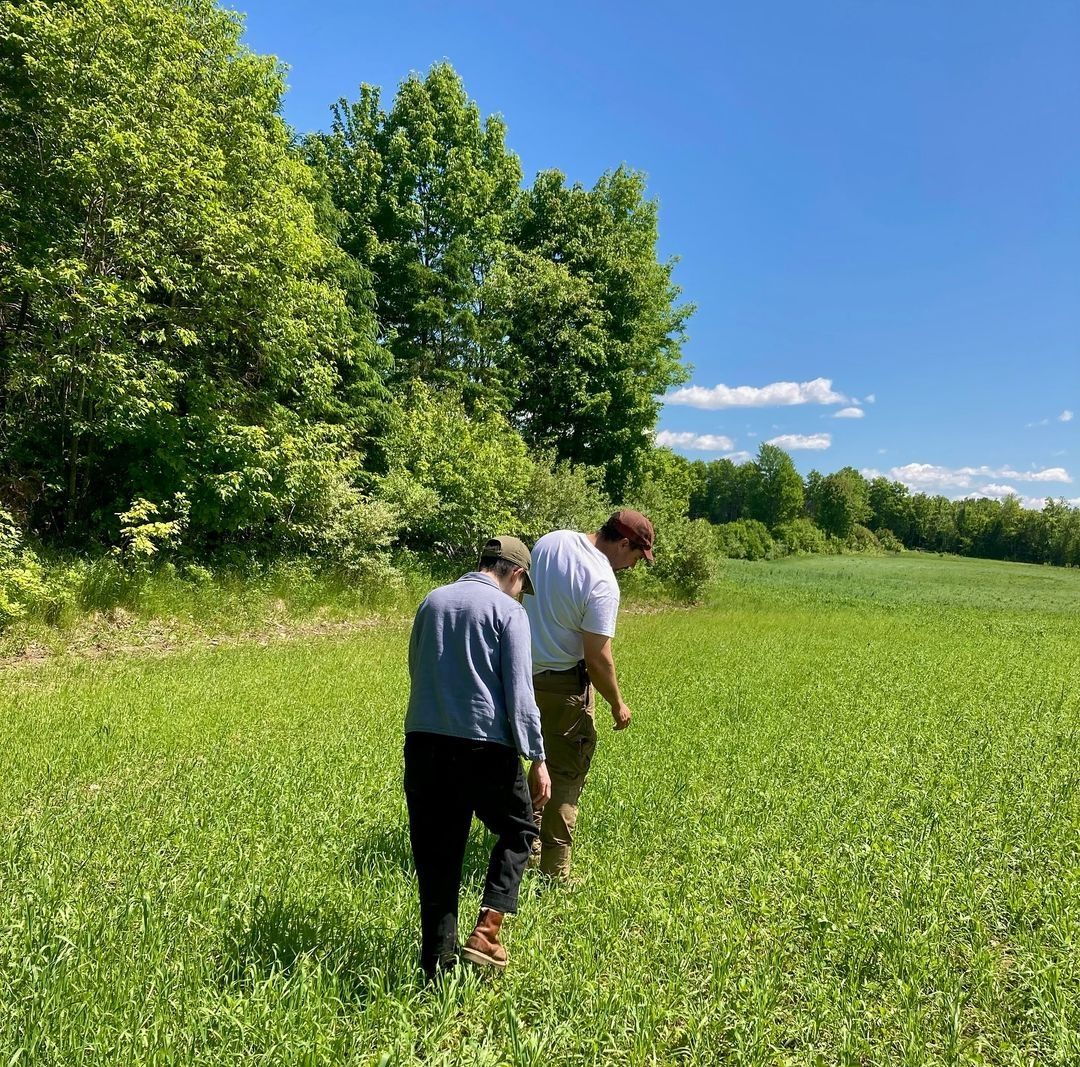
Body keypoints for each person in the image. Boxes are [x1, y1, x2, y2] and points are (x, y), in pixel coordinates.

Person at [403, 536, 551, 979]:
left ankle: (436, 971)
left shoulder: (433, 601)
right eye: (522, 586)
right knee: (521, 828)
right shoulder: (509, 612)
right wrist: (537, 757)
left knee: (438, 857)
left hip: (424, 742)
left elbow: (418, 665)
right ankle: (488, 930)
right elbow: (520, 694)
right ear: (517, 573)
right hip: (484, 746)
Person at [524, 510, 654, 880]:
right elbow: (598, 657)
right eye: (635, 557)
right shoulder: (601, 581)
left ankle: (527, 844)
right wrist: (617, 703)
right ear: (623, 543)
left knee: (538, 761)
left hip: (523, 679)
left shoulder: (552, 541)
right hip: (566, 686)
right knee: (565, 774)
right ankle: (555, 873)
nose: (632, 566)